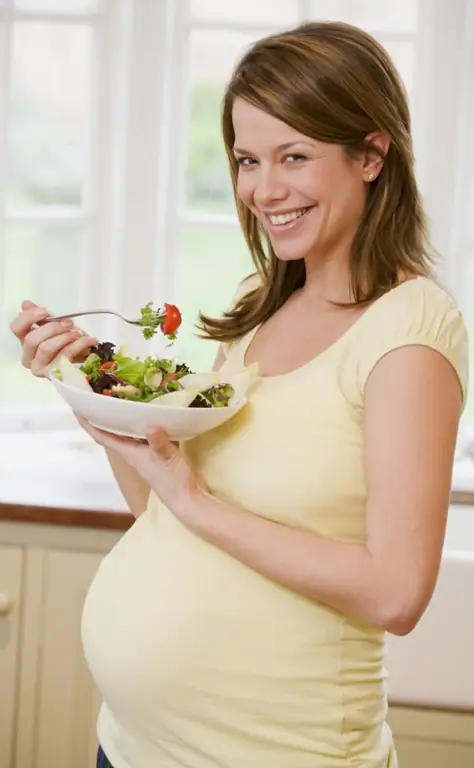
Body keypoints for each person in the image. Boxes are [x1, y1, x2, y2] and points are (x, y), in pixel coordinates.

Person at [10, 20, 468, 768]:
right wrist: (91, 385)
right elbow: (167, 513)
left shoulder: (409, 331)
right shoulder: (264, 301)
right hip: (133, 748)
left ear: (372, 155)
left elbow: (395, 592)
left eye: (295, 156)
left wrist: (192, 501)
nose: (264, 189)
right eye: (248, 159)